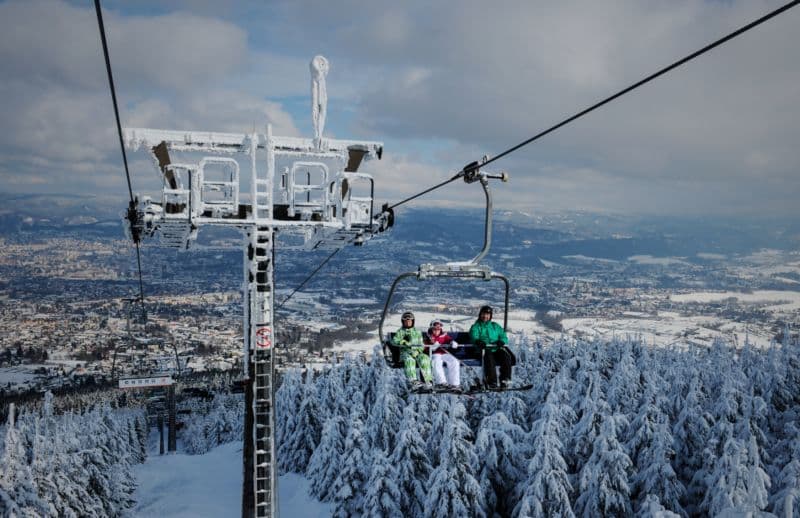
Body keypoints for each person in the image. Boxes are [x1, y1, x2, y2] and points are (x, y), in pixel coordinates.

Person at [469, 305, 512, 388]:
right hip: (483, 349)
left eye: (487, 315)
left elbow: (503, 335)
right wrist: (478, 341)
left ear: (490, 316)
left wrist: (502, 341)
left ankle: (505, 380)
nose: (485, 316)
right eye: (483, 314)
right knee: (489, 357)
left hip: (495, 349)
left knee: (506, 356)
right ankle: (492, 381)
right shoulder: (476, 326)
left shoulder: (495, 326)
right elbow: (473, 336)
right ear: (480, 315)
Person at [392, 311, 432, 387]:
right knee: (409, 360)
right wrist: (403, 342)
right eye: (406, 321)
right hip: (405, 352)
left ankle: (427, 380)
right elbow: (394, 340)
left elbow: (421, 344)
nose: (408, 323)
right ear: (403, 322)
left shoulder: (417, 332)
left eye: (409, 321)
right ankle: (413, 380)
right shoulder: (400, 332)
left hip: (416, 352)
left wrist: (418, 351)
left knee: (425, 358)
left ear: (412, 322)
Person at [425, 319, 460, 391]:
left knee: (454, 361)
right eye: (435, 329)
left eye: (438, 329)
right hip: (435, 354)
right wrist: (432, 346)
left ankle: (454, 384)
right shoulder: (429, 336)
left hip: (444, 353)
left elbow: (448, 339)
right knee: (436, 362)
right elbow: (425, 347)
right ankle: (441, 382)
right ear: (431, 328)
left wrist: (452, 342)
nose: (436, 331)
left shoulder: (443, 335)